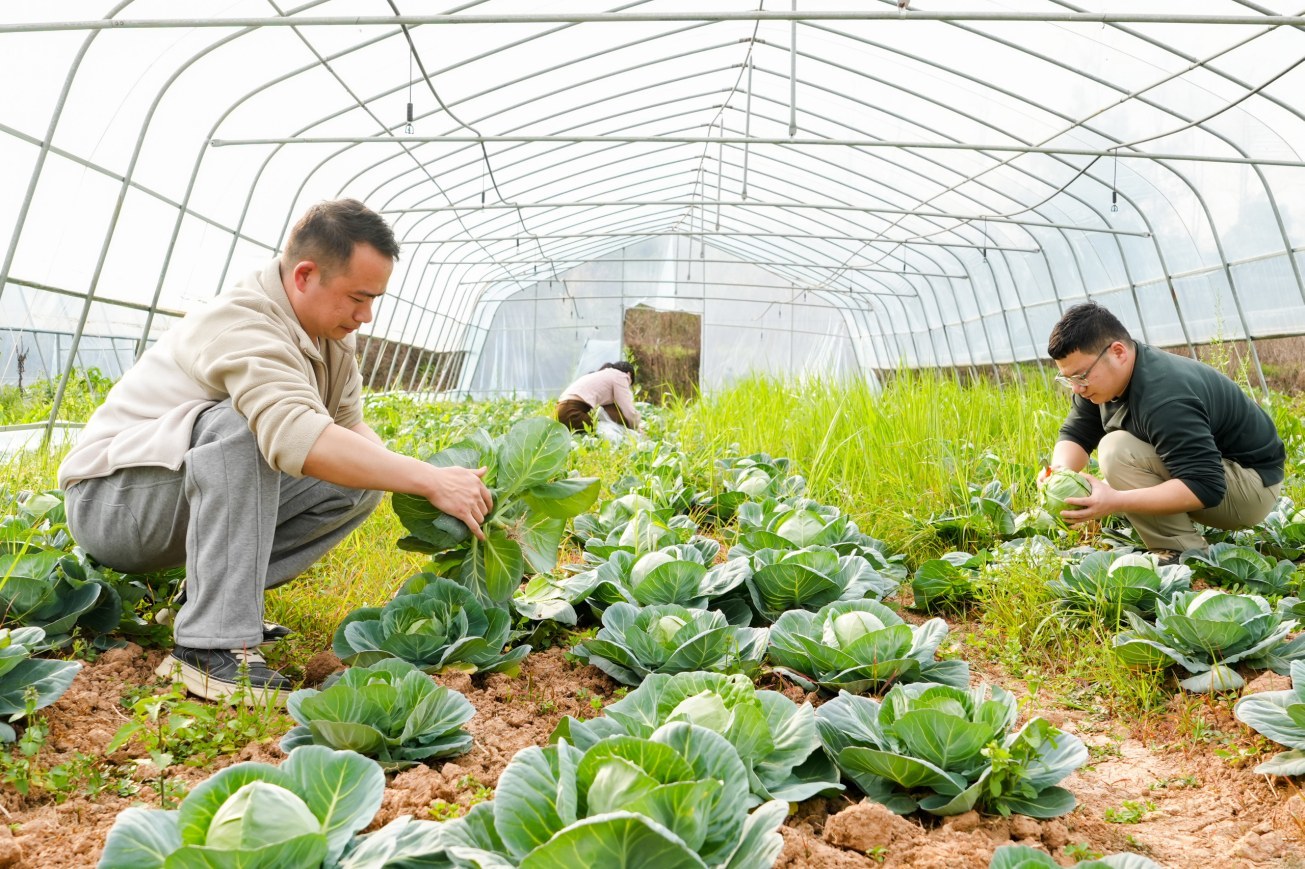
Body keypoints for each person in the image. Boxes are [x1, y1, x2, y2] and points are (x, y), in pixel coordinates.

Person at [57, 199, 493, 703]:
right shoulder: (241, 321)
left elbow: (348, 427)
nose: (366, 315)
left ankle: (208, 601)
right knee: (245, 426)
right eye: (358, 297)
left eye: (374, 300)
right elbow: (289, 435)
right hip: (114, 505)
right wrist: (430, 479)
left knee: (359, 482)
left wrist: (417, 475)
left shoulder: (329, 336)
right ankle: (208, 648)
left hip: (171, 497)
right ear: (306, 275)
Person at [1042, 301, 1284, 563]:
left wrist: (1117, 500)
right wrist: (1056, 474)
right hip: (1218, 475)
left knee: (1116, 451)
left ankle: (1181, 552)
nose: (1077, 389)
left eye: (1081, 376)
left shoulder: (1166, 396)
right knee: (1118, 454)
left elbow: (1206, 485)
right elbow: (1076, 434)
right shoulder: (1102, 384)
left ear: (1119, 352)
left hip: (1251, 486)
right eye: (1068, 380)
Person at [555, 361, 642, 433]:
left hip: (559, 411)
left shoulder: (602, 375)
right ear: (629, 374)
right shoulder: (620, 376)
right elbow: (628, 409)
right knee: (608, 431)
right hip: (571, 412)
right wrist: (637, 427)